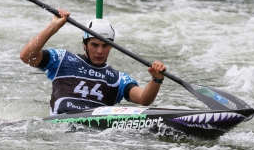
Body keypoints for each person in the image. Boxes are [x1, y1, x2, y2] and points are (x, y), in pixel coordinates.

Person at [20, 9, 166, 116]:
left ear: (112, 46)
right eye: (94, 45)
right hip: (61, 127)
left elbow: (143, 99)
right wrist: (54, 26)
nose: (100, 51)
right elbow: (26, 56)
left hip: (94, 138)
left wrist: (156, 79)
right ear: (85, 45)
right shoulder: (62, 59)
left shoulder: (117, 78)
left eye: (105, 45)